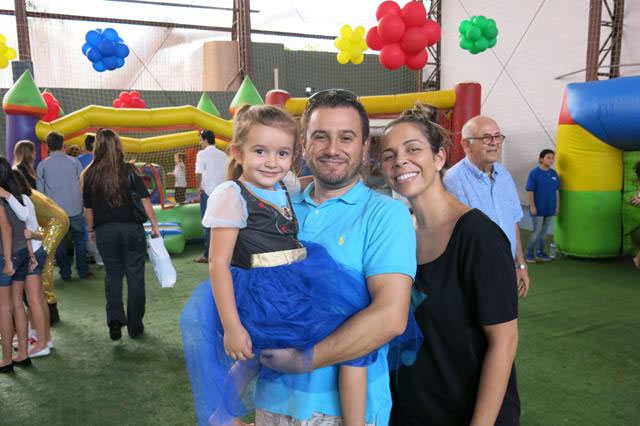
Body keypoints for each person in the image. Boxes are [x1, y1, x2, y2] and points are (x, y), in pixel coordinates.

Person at [238, 90, 417, 426]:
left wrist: (303, 360)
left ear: (364, 146)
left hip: (344, 412)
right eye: (321, 136)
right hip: (272, 401)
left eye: (346, 137)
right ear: (303, 145)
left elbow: (391, 317)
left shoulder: (385, 214)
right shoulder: (278, 208)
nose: (333, 149)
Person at [380, 103, 520, 425]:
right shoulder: (398, 232)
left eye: (413, 149)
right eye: (389, 155)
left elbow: (504, 341)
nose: (400, 160)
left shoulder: (479, 237)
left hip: (464, 413)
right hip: (411, 411)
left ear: (439, 157)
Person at [81, 129, 160, 340]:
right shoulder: (129, 170)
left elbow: (88, 209)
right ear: (118, 145)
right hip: (131, 230)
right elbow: (145, 200)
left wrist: (91, 230)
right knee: (136, 278)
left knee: (113, 275)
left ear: (96, 147)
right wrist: (155, 225)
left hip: (105, 232)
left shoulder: (89, 175)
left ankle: (115, 321)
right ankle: (135, 326)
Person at [443, 116, 530, 298]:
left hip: (506, 267)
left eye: (498, 136)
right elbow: (453, 237)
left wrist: (520, 264)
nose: (495, 143)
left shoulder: (504, 175)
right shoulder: (453, 180)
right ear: (466, 145)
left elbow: (513, 222)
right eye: (486, 137)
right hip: (474, 274)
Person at [0, 169, 52, 357]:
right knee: (37, 298)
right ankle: (43, 338)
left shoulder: (18, 201)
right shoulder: (22, 199)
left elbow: (26, 227)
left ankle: (42, 343)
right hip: (34, 250)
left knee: (33, 299)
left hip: (33, 251)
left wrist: (6, 195)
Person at [36, 131, 91, 281]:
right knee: (79, 239)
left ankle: (65, 272)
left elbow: (41, 193)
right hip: (75, 208)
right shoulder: (74, 162)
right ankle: (82, 270)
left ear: (48, 146)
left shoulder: (42, 165)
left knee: (58, 242)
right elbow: (82, 186)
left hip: (55, 212)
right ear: (63, 145)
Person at [0, 158, 33, 372]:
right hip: (21, 253)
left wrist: (8, 260)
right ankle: (23, 353)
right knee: (18, 304)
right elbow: (24, 225)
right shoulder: (17, 196)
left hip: (7, 256)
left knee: (4, 307)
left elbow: (7, 229)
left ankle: (6, 359)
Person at [194, 130, 228, 263]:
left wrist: (198, 188)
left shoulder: (202, 154)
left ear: (205, 140)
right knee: (222, 223)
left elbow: (198, 173)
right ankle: (224, 253)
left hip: (208, 193)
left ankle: (208, 255)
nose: (200, 143)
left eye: (200, 140)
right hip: (222, 193)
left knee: (208, 223)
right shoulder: (223, 154)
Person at [525, 149, 560, 263]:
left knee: (544, 233)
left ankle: (540, 252)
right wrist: (532, 206)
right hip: (538, 208)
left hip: (550, 208)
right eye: (548, 157)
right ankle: (529, 254)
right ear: (541, 159)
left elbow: (557, 191)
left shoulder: (554, 174)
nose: (551, 160)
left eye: (552, 158)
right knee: (537, 231)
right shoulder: (534, 173)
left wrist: (557, 207)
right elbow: (530, 190)